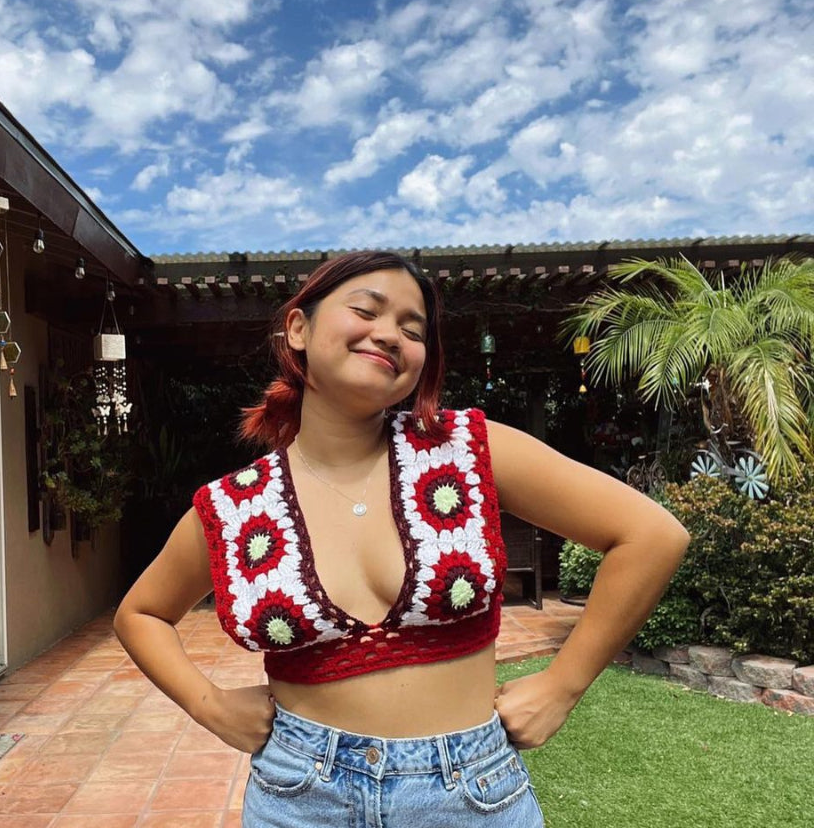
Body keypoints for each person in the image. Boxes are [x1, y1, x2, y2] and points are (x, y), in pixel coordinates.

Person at [114, 249, 690, 826]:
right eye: (367, 311)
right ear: (298, 329)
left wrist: (563, 686)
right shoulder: (237, 506)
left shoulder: (467, 452)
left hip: (469, 798)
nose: (391, 335)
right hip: (299, 799)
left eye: (413, 331)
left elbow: (649, 535)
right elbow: (141, 614)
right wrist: (209, 704)